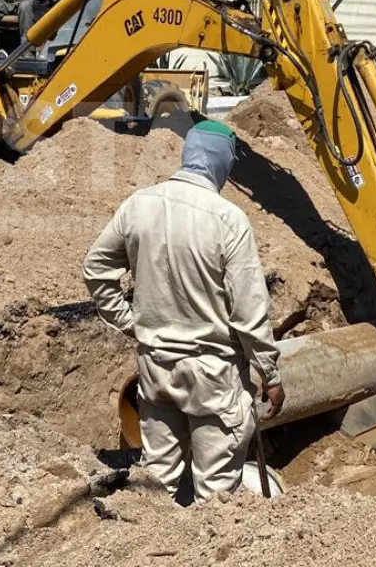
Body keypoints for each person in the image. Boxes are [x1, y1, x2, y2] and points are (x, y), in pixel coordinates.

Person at [82, 121, 285, 503]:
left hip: (156, 369)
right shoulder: (228, 220)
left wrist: (131, 323)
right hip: (213, 375)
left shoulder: (139, 205)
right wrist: (270, 373)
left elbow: (96, 269)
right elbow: (249, 312)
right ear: (223, 164)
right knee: (217, 492)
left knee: (157, 481)